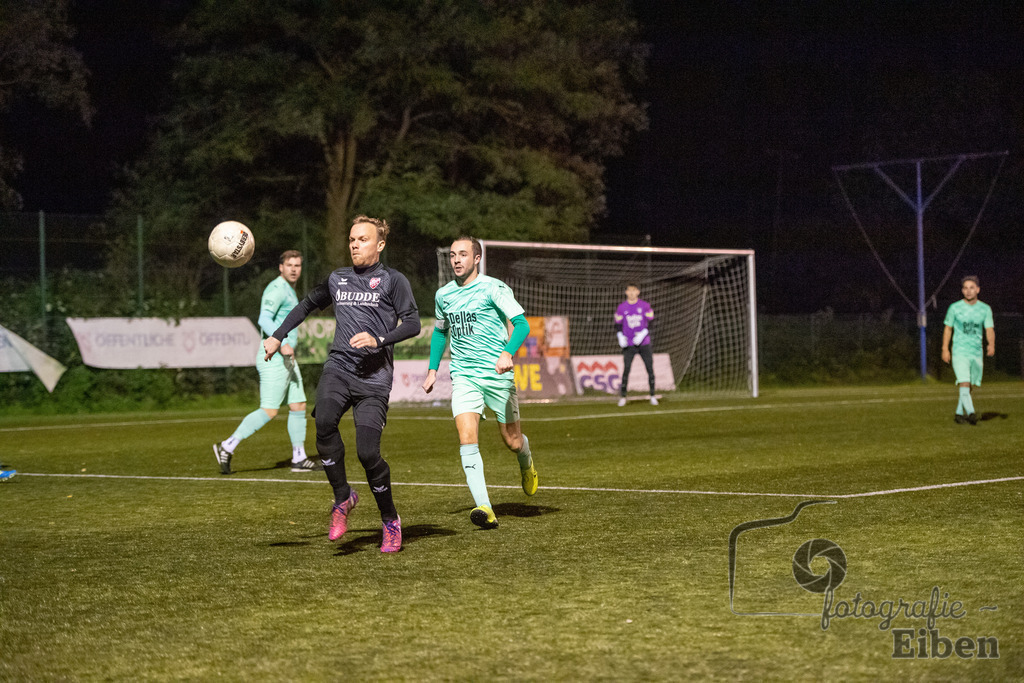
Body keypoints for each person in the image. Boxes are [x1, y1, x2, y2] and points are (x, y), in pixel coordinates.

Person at [263, 216, 419, 553]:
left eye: (362, 239)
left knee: (368, 453)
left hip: (375, 378)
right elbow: (306, 304)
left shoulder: (393, 280)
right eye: (352, 239)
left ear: (380, 244)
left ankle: (390, 520)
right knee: (323, 423)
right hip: (339, 367)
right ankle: (343, 497)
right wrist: (277, 336)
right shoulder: (338, 279)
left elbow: (413, 324)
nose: (354, 244)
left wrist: (379, 339)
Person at [422, 236, 539, 530]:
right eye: (452, 255)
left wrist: (506, 353)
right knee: (466, 437)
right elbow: (440, 333)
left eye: (463, 254)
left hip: (497, 375)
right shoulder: (443, 295)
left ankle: (525, 459)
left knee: (511, 440)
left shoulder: (493, 288)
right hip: (464, 376)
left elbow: (522, 324)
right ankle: (485, 507)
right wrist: (433, 370)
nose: (456, 259)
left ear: (476, 258)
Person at [213, 250, 317, 474]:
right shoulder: (277, 288)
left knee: (298, 405)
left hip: (287, 358)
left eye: (297, 265)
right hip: (274, 357)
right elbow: (263, 319)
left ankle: (299, 457)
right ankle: (227, 446)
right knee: (269, 411)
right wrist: (280, 342)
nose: (293, 269)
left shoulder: (289, 290)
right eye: (289, 265)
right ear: (281, 267)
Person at [941, 275, 995, 425]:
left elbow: (989, 328)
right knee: (964, 382)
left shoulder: (985, 309)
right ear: (962, 290)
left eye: (972, 287)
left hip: (976, 352)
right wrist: (945, 349)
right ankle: (971, 413)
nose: (968, 291)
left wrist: (991, 344)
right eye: (965, 288)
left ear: (978, 289)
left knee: (970, 385)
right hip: (959, 351)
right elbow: (948, 329)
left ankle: (959, 414)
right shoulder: (955, 308)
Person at [614, 284, 657, 406]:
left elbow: (652, 321)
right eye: (629, 290)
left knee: (650, 369)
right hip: (629, 344)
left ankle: (652, 395)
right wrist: (620, 336)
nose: (632, 293)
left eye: (634, 290)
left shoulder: (644, 305)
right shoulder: (622, 307)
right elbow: (617, 323)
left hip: (644, 343)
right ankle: (623, 396)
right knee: (626, 369)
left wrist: (644, 333)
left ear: (638, 292)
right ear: (626, 292)